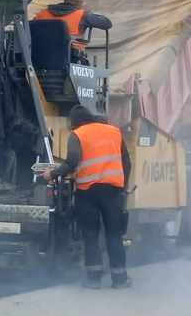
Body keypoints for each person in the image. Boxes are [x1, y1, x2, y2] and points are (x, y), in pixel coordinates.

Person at [49, 105, 133, 289]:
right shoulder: (114, 132)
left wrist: (52, 174)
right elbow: (127, 162)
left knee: (90, 235)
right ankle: (120, 279)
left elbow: (72, 161)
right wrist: (122, 185)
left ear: (75, 122)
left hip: (87, 193)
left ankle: (93, 279)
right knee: (114, 235)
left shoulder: (78, 134)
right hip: (112, 192)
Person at [33, 0, 112, 54]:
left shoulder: (42, 13)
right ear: (80, 4)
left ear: (65, 0)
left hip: (40, 52)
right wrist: (89, 13)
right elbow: (107, 23)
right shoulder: (83, 15)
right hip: (71, 55)